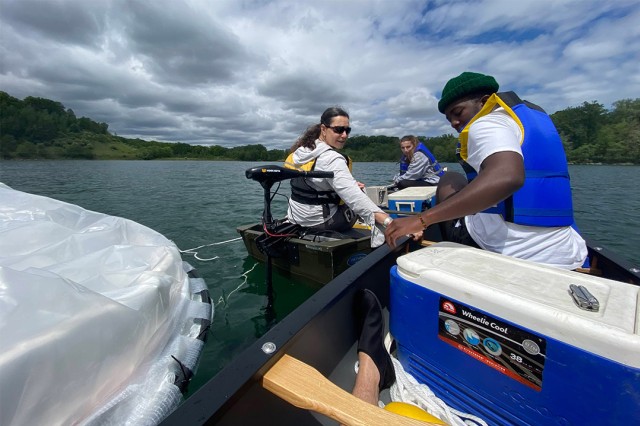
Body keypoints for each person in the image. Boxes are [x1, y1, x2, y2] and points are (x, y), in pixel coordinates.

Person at [385, 71, 587, 270]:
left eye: (458, 112)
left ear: (484, 102)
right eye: (449, 119)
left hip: (505, 250)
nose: (454, 123)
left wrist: (421, 220)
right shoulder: (525, 122)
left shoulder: (484, 123)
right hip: (566, 250)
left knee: (450, 178)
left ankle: (454, 258)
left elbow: (507, 176)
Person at [284, 107, 393, 242]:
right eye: (339, 130)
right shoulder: (332, 159)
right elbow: (356, 199)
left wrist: (349, 185)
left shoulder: (300, 152)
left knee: (352, 189)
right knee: (361, 194)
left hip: (296, 217)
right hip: (321, 223)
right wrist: (390, 223)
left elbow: (315, 185)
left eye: (347, 130)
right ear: (323, 129)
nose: (344, 135)